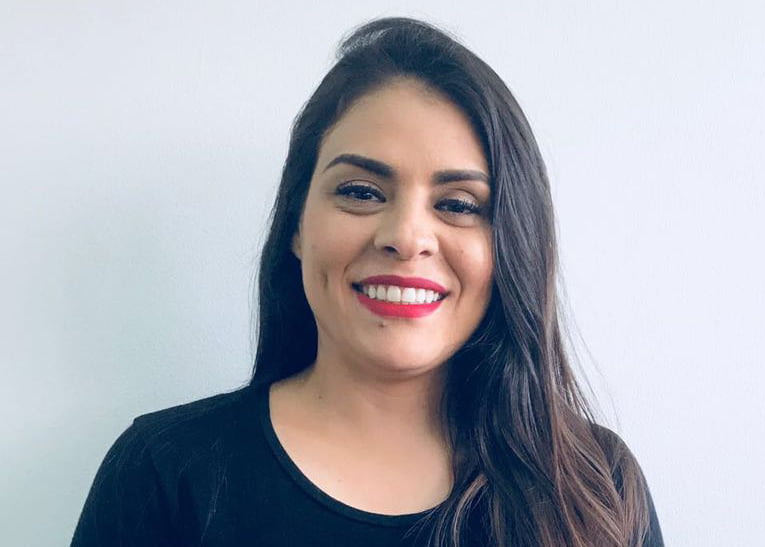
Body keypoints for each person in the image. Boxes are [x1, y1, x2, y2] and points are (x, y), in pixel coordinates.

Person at [71, 16, 664, 547]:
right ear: (296, 226)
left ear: (510, 243)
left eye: (458, 204)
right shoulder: (163, 473)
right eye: (361, 192)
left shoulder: (595, 486)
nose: (406, 237)